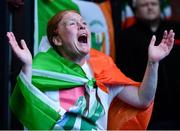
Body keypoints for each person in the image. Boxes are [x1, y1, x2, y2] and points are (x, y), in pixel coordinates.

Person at [7, 10, 174, 130]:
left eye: (84, 23)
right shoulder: (42, 70)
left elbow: (142, 99)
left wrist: (153, 62)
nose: (82, 26)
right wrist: (27, 66)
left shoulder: (103, 70)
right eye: (73, 23)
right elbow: (22, 106)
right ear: (57, 39)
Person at [116, 0, 180, 129]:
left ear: (159, 7)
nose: (150, 7)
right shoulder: (127, 36)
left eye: (153, 4)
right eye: (144, 5)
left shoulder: (176, 29)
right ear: (136, 10)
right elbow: (123, 74)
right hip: (148, 111)